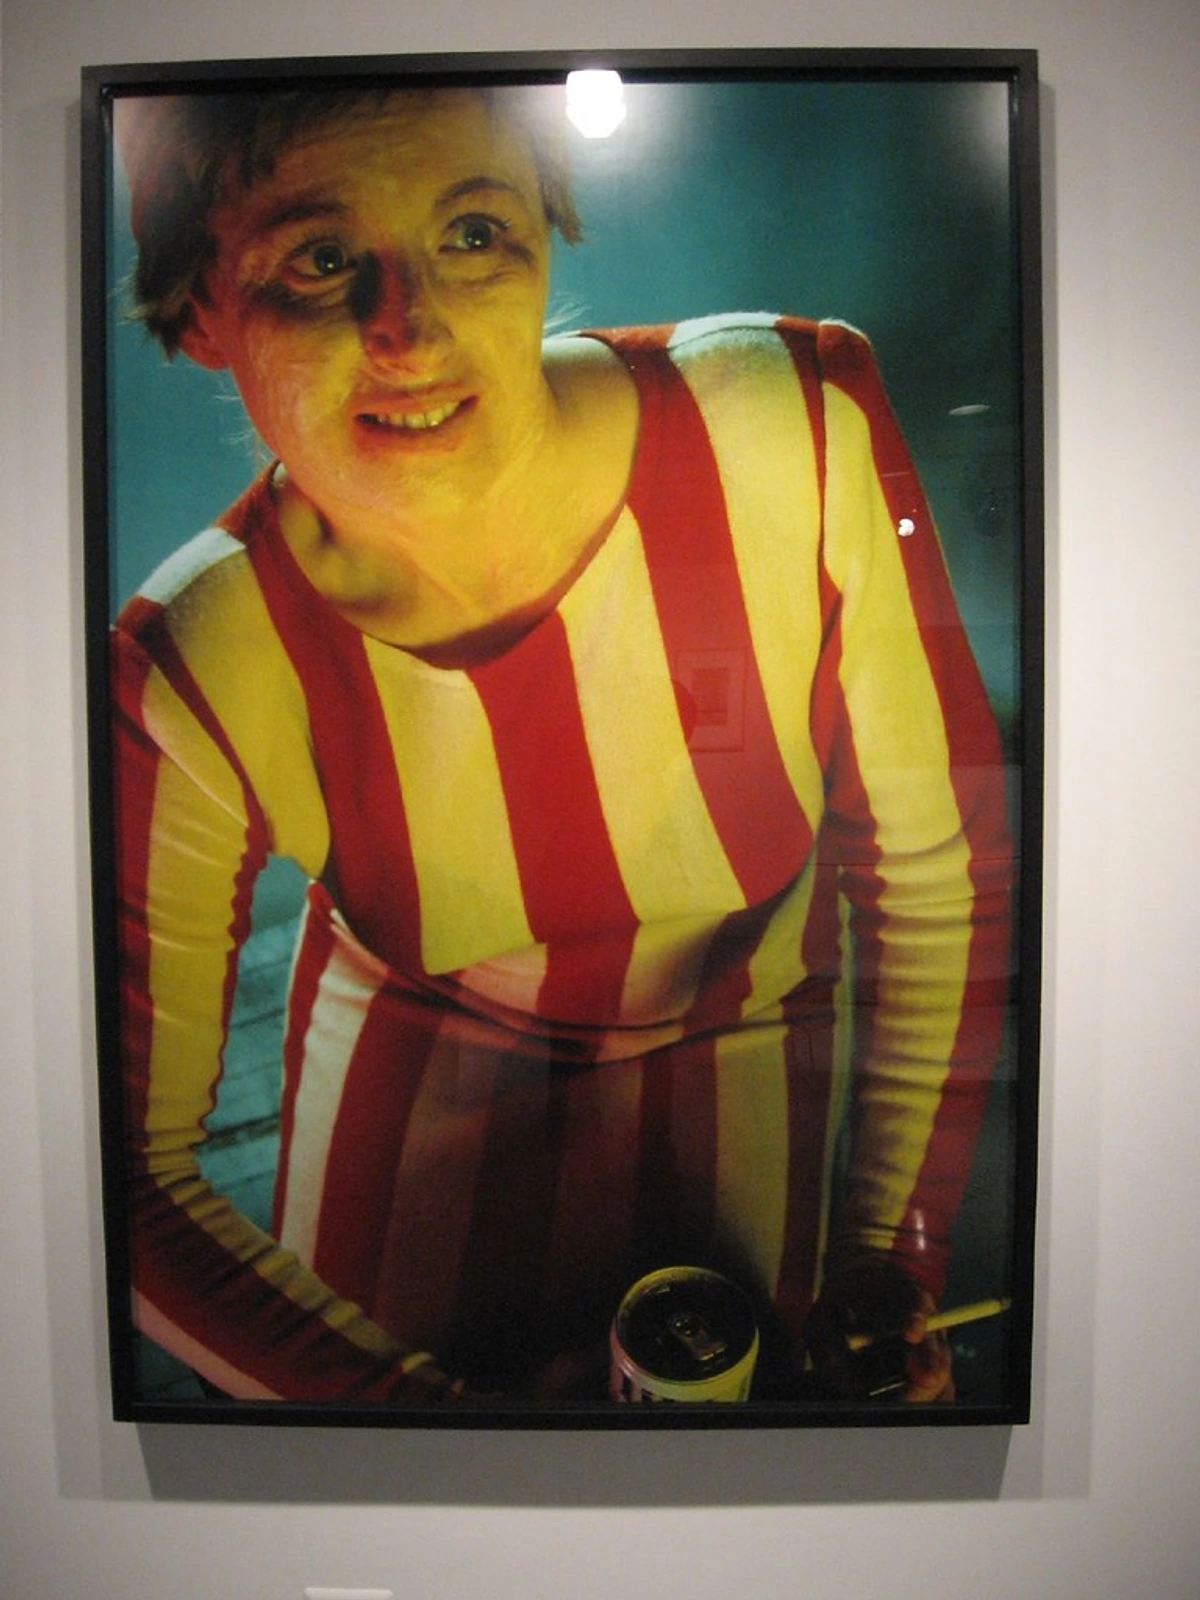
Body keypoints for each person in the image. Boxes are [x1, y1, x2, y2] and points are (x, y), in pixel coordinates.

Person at [111, 82, 1011, 1407]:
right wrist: (426, 1437)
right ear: (199, 314)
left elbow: (942, 874)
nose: (408, 330)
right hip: (403, 1098)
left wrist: (892, 1263)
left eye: (472, 234)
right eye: (319, 260)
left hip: (754, 1041)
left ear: (547, 228)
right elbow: (133, 1176)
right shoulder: (195, 664)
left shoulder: (795, 431)